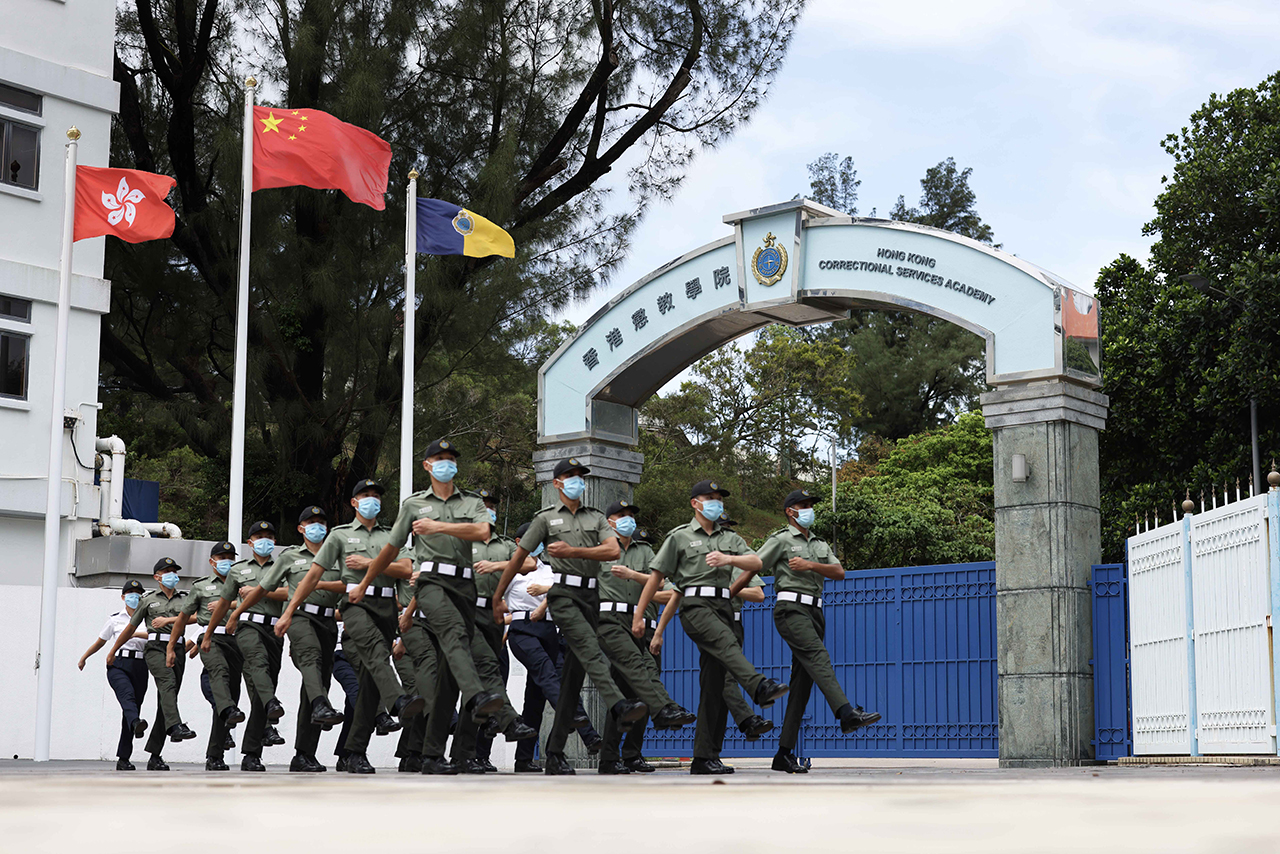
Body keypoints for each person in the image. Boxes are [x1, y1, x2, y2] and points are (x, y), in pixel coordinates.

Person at [493, 456, 647, 776]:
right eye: (571, 475)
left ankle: (562, 753)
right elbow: (522, 560)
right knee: (586, 663)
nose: (578, 481)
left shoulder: (597, 523)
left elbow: (611, 555)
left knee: (571, 683)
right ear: (558, 482)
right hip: (570, 606)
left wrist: (575, 552)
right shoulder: (547, 522)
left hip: (595, 605)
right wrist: (498, 596)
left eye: (581, 476)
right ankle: (610, 712)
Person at [371, 439, 507, 776]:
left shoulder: (471, 502)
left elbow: (481, 530)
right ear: (427, 465)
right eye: (439, 458)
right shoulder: (414, 503)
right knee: (454, 633)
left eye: (451, 459)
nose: (446, 463)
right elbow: (391, 548)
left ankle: (431, 754)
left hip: (465, 586)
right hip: (430, 583)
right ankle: (477, 695)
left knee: (447, 677)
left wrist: (438, 527)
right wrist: (365, 580)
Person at [634, 479, 789, 775]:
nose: (716, 502)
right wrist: (639, 615)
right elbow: (656, 578)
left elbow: (756, 562)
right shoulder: (679, 538)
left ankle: (705, 757)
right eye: (710, 497)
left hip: (723, 606)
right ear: (695, 503)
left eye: (719, 498)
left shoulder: (729, 539)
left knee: (714, 685)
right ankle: (758, 686)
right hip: (695, 606)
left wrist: (729, 558)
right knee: (725, 644)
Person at [730, 488, 881, 773]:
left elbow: (839, 572)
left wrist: (810, 565)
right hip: (790, 610)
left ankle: (783, 753)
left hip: (815, 612)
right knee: (818, 656)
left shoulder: (820, 544)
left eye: (810, 504)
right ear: (790, 511)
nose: (809, 508)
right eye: (803, 504)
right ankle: (846, 712)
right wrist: (730, 592)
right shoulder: (781, 539)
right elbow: (754, 566)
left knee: (802, 685)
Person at [278, 479, 422, 775]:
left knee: (370, 683)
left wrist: (370, 563)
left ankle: (355, 751)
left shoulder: (392, 536)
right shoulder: (340, 536)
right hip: (354, 605)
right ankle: (398, 701)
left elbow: (406, 570)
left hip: (385, 608)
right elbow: (313, 576)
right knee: (374, 654)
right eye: (366, 496)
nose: (373, 500)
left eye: (377, 496)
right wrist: (289, 611)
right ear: (354, 502)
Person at [234, 505, 347, 773]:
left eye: (321, 521)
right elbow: (264, 588)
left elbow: (348, 586)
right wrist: (235, 613)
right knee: (309, 659)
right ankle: (252, 751)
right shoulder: (289, 557)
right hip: (297, 617)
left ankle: (304, 754)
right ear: (300, 528)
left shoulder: (338, 557)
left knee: (316, 684)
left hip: (328, 621)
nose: (316, 526)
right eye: (310, 522)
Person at [439, 487, 536, 773]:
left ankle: (464, 754)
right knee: (480, 676)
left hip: (492, 615)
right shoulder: (458, 539)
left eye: (492, 505)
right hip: (463, 612)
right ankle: (508, 721)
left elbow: (528, 563)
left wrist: (497, 564)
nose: (489, 510)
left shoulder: (504, 544)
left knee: (478, 688)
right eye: (484, 505)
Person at [595, 499, 695, 774]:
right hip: (613, 621)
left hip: (644, 624)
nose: (627, 519)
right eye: (621, 514)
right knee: (641, 674)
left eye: (631, 515)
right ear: (609, 520)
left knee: (632, 693)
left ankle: (624, 755)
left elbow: (663, 586)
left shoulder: (645, 551)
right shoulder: (600, 548)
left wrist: (632, 575)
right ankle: (663, 711)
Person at [505, 525, 603, 773]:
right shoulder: (511, 570)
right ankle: (580, 725)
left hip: (550, 630)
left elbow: (568, 589)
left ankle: (524, 759)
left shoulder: (550, 570)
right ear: (519, 541)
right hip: (523, 628)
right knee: (546, 672)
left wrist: (545, 592)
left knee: (535, 700)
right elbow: (496, 600)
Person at [205, 521, 286, 772]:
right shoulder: (238, 571)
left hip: (274, 630)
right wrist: (207, 634)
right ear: (250, 543)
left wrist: (260, 592)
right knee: (234, 690)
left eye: (270, 536)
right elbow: (223, 603)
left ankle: (252, 753)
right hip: (246, 628)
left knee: (261, 690)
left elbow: (291, 594)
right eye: (259, 536)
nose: (265, 540)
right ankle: (215, 753)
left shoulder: (283, 566)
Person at [106, 557, 197, 770]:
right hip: (155, 648)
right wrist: (113, 649)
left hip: (178, 648)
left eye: (174, 571)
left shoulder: (185, 598)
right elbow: (130, 628)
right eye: (167, 571)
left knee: (168, 699)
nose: (172, 575)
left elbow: (196, 617)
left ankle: (155, 755)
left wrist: (169, 620)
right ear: (157, 577)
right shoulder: (148, 600)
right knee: (167, 685)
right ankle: (175, 726)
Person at [168, 542, 247, 771]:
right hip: (211, 639)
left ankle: (215, 755)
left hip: (240, 639)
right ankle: (228, 711)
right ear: (212, 561)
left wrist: (232, 602)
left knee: (230, 696)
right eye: (222, 557)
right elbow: (183, 617)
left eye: (231, 557)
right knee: (218, 674)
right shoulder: (201, 587)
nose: (227, 561)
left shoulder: (243, 583)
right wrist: (173, 646)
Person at [79, 579, 151, 770]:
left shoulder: (148, 619)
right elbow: (100, 641)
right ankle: (136, 723)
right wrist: (84, 657)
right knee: (127, 698)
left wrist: (135, 634)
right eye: (130, 593)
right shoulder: (115, 619)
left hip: (141, 665)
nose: (134, 596)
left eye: (138, 593)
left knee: (131, 708)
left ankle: (124, 758)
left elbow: (154, 634)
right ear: (123, 597)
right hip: (118, 663)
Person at [717, 517, 775, 744]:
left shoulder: (739, 562)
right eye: (724, 529)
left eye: (729, 529)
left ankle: (712, 751)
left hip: (735, 623)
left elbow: (759, 594)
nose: (727, 534)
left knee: (722, 682)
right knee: (724, 679)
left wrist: (731, 590)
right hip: (713, 621)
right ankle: (749, 717)